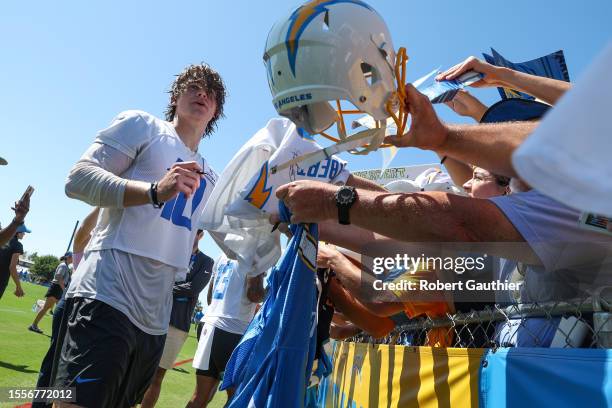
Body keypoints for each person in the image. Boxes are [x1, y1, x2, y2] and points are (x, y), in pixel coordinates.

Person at [56, 63, 226, 408]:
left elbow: (241, 238)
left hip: (154, 319)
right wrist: (153, 191)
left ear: (217, 111)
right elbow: (78, 179)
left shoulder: (214, 178)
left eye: (211, 92)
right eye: (194, 86)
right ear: (176, 96)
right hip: (107, 294)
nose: (202, 93)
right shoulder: (143, 125)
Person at [32, 207, 99, 408]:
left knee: (71, 366)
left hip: (88, 309)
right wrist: (107, 202)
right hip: (72, 305)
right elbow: (82, 234)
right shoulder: (90, 247)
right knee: (55, 362)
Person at [140, 229, 214, 408]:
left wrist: (165, 285)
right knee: (136, 371)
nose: (190, 235)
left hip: (176, 324)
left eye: (196, 232)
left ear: (200, 235)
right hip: (150, 316)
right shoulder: (169, 253)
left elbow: (193, 288)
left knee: (157, 375)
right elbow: (151, 278)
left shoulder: (206, 261)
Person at [188, 254, 265, 407]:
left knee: (200, 396)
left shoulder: (223, 254)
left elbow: (210, 297)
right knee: (237, 397)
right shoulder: (254, 253)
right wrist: (270, 292)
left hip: (209, 324)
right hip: (232, 330)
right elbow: (254, 294)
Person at [28, 252, 73, 334]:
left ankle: (35, 325)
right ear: (69, 257)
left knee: (53, 309)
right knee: (47, 308)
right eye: (72, 257)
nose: (73, 259)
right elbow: (58, 277)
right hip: (56, 289)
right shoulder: (63, 265)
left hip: (58, 289)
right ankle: (34, 325)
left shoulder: (65, 266)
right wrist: (64, 289)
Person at [0, 223, 30, 299]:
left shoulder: (2, 239)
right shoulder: (17, 245)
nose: (24, 234)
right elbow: (12, 267)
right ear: (17, 233)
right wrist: (18, 286)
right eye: (23, 232)